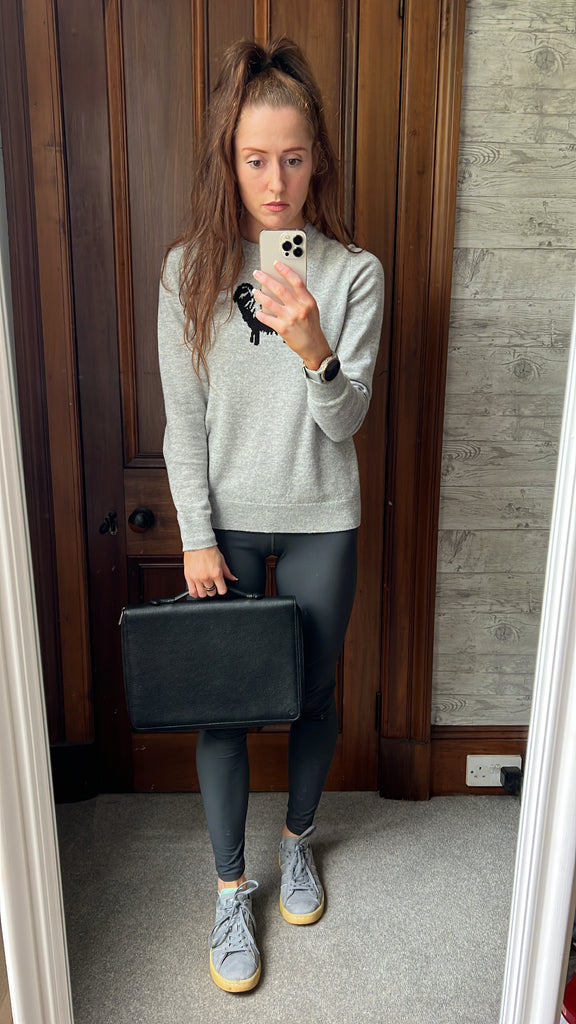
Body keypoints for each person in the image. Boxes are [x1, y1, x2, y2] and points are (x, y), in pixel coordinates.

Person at [157, 36, 384, 994]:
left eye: (292, 158)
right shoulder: (189, 272)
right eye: (256, 159)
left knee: (314, 695)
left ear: (316, 157)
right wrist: (196, 538)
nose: (276, 181)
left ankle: (297, 842)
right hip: (229, 523)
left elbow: (346, 419)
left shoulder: (354, 273)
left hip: (323, 514)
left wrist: (314, 347)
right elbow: (184, 424)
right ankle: (228, 890)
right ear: (231, 161)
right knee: (224, 708)